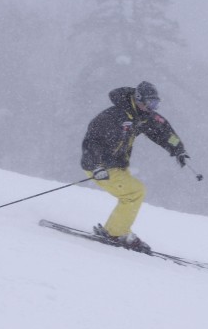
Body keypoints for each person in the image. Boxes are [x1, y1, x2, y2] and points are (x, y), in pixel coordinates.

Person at [81, 81, 190, 253]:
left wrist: (178, 150)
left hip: (117, 165)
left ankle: (115, 230)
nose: (153, 107)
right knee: (134, 192)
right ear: (139, 100)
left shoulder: (141, 115)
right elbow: (92, 141)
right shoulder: (113, 116)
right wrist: (97, 166)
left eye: (156, 103)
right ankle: (116, 233)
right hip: (101, 166)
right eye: (151, 103)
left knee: (132, 194)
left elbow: (162, 130)